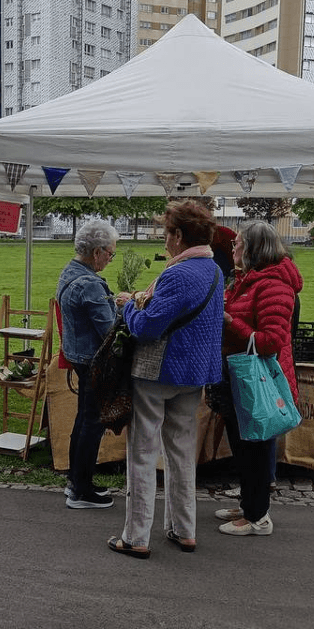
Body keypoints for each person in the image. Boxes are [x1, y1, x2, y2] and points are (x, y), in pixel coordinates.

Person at [108, 201, 224, 559]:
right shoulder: (215, 271)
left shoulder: (177, 274)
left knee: (142, 453)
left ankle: (136, 536)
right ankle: (183, 529)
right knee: (181, 451)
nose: (164, 240)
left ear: (178, 236)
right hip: (195, 375)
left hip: (157, 371)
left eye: (166, 233)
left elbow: (146, 327)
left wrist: (129, 304)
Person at [213, 221, 303, 537]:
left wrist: (229, 321)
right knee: (244, 446)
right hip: (241, 379)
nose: (232, 248)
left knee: (255, 446)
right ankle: (249, 502)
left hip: (259, 381)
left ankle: (257, 517)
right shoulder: (249, 280)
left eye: (237, 243)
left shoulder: (274, 285)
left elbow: (271, 341)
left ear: (253, 248)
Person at [56, 220, 131, 510]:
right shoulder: (89, 283)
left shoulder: (71, 271)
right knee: (92, 423)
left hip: (77, 355)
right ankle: (82, 490)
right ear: (97, 252)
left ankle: (77, 481)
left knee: (83, 421)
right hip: (93, 360)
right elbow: (110, 330)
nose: (110, 260)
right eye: (110, 254)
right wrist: (129, 309)